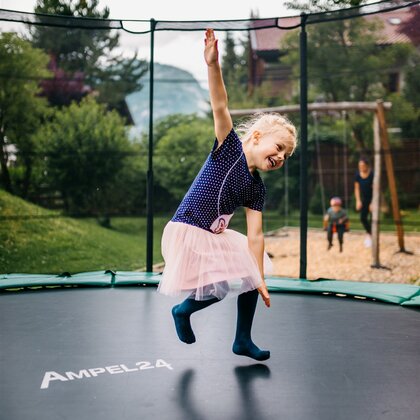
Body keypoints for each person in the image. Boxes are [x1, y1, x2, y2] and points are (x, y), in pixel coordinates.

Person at [157, 29, 297, 361]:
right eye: (279, 148)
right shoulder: (228, 148)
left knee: (251, 268)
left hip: (215, 235)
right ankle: (183, 311)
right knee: (217, 290)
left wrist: (260, 279)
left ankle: (243, 340)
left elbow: (256, 234)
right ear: (258, 137)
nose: (280, 157)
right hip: (190, 230)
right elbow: (220, 103)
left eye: (286, 156)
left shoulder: (256, 187)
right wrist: (212, 64)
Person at [354, 156, 373, 247]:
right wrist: (358, 200)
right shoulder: (358, 175)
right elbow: (357, 188)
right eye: (359, 166)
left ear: (367, 166)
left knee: (373, 219)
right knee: (362, 218)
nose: (361, 167)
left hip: (373, 198)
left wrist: (373, 202)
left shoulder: (372, 174)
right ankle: (370, 234)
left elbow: (375, 189)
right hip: (364, 199)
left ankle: (372, 237)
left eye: (362, 166)